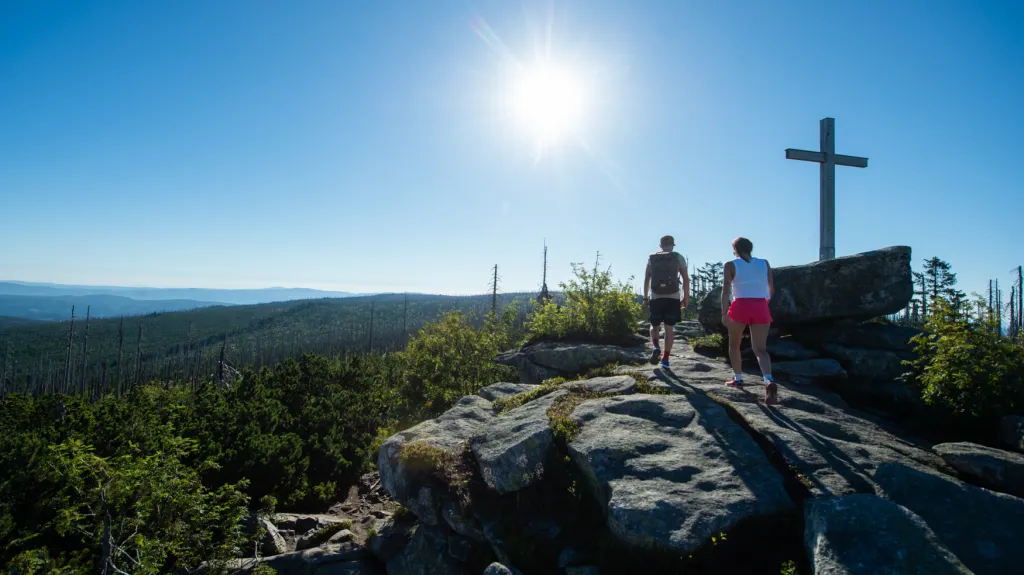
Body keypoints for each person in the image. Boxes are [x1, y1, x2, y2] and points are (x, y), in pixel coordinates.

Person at [721, 236, 778, 405]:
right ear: (750, 248)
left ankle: (738, 379)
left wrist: (724, 313)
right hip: (760, 305)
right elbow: (771, 288)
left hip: (740, 306)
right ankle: (768, 380)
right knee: (761, 349)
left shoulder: (731, 265)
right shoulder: (764, 263)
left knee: (734, 345)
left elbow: (725, 291)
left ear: (735, 249)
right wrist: (764, 302)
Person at [643, 235, 689, 368]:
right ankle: (665, 360)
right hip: (673, 297)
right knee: (669, 329)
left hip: (656, 297)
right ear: (673, 245)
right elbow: (685, 278)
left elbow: (647, 278)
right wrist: (685, 297)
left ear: (660, 245)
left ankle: (656, 346)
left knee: (654, 325)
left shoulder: (652, 257)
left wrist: (646, 297)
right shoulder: (678, 257)